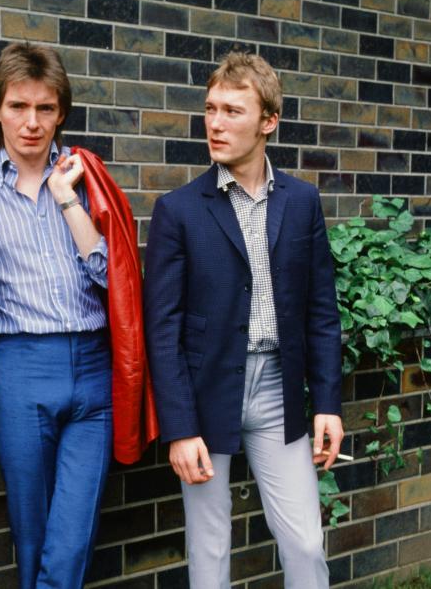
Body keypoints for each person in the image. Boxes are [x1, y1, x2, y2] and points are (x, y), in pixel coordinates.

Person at [0, 42, 156, 589]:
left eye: (45, 109)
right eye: (19, 107)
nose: (32, 123)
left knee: (71, 538)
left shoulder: (87, 177)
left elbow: (118, 282)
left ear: (60, 112)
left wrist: (68, 201)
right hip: (21, 368)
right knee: (33, 536)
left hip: (95, 371)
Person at [143, 52, 344, 589]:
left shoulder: (302, 202)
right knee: (209, 547)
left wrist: (326, 403)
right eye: (211, 109)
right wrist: (180, 428)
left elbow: (322, 311)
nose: (215, 123)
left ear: (268, 121)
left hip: (277, 386)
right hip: (208, 390)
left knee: (304, 539)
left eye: (233, 110)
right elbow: (161, 329)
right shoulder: (179, 210)